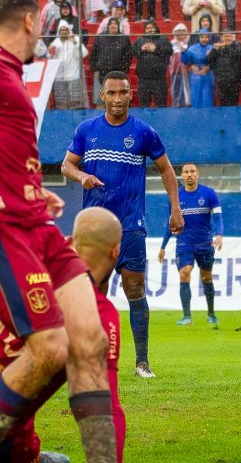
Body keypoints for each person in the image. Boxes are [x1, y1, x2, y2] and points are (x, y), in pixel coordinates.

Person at [0, 0, 169, 463]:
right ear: (30, 20)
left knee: (91, 336)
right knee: (49, 347)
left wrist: (33, 188)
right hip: (9, 229)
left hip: (39, 223)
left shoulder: (12, 77)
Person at [61, 70, 185, 379]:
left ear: (131, 95)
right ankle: (93, 360)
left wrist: (175, 209)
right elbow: (66, 165)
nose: (118, 98)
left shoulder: (143, 132)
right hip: (95, 230)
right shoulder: (87, 130)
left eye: (123, 93)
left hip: (130, 226)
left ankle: (142, 362)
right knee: (96, 293)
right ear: (102, 96)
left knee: (134, 289)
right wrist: (82, 176)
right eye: (112, 93)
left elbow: (167, 170)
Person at [0, 207, 129, 463]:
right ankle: (33, 457)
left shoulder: (20, 272)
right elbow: (109, 404)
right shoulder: (97, 314)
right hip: (10, 431)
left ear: (69, 240)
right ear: (115, 252)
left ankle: (32, 449)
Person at [158, 163, 223, 326]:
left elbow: (218, 217)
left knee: (206, 277)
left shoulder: (209, 194)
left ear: (198, 174)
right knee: (184, 273)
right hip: (184, 243)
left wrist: (219, 235)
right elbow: (170, 223)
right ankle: (186, 316)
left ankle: (211, 314)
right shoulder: (176, 197)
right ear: (181, 175)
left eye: (192, 171)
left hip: (204, 243)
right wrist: (163, 246)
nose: (189, 175)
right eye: (186, 172)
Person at [89, 17, 131, 107]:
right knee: (100, 102)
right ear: (107, 26)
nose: (113, 25)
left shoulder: (123, 38)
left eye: (115, 24)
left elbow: (128, 57)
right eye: (111, 24)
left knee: (117, 103)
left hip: (118, 76)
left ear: (118, 26)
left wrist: (124, 71)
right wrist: (95, 69)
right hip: (101, 74)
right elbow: (93, 55)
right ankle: (100, 121)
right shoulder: (100, 37)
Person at [48, 20, 88, 109]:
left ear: (68, 30)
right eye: (61, 30)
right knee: (61, 104)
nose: (64, 32)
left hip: (74, 76)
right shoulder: (55, 43)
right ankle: (64, 121)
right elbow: (50, 59)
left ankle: (77, 121)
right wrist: (50, 52)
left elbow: (84, 53)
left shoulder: (75, 40)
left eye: (65, 29)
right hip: (59, 78)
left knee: (77, 103)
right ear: (59, 31)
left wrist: (75, 42)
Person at [132, 20, 172, 107]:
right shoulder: (140, 40)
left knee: (161, 103)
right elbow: (133, 52)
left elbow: (169, 51)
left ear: (156, 28)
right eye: (147, 28)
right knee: (144, 104)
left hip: (159, 78)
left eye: (151, 27)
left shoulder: (163, 39)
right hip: (144, 78)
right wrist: (142, 49)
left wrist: (155, 49)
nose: (149, 30)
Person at [206, 27, 241, 106]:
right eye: (225, 36)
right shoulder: (217, 47)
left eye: (229, 36)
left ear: (232, 37)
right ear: (222, 37)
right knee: (224, 102)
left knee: (234, 102)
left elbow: (236, 54)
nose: (227, 38)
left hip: (235, 80)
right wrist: (214, 50)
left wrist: (224, 46)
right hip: (222, 79)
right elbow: (208, 60)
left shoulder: (237, 45)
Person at [182, 27, 215, 107]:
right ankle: (196, 115)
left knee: (207, 96)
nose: (204, 39)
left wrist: (208, 67)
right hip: (195, 75)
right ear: (199, 37)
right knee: (196, 96)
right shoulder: (192, 48)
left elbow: (216, 61)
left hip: (208, 75)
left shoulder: (212, 48)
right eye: (202, 37)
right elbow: (185, 60)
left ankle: (207, 116)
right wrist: (183, 53)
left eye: (206, 37)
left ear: (209, 38)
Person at [169, 22, 191, 106]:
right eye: (179, 31)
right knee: (177, 89)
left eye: (183, 31)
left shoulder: (189, 43)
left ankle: (188, 104)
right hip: (176, 73)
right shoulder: (171, 44)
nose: (181, 33)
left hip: (189, 72)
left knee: (188, 90)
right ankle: (178, 104)